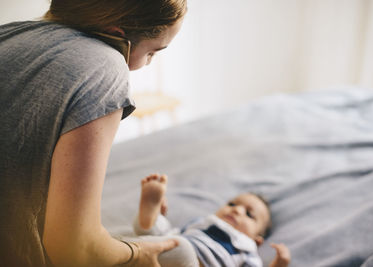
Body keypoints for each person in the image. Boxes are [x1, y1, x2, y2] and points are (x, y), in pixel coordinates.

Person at [0, 0, 186, 266]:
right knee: (180, 254)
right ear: (118, 33)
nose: (146, 64)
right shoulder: (105, 66)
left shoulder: (12, 33)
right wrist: (137, 253)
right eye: (152, 53)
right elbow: (75, 248)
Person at [130, 174, 291, 267]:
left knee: (181, 248)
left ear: (257, 241)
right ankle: (149, 217)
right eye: (232, 204)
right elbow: (175, 235)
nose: (236, 210)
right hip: (167, 249)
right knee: (160, 234)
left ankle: (120, 251)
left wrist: (278, 264)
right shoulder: (202, 222)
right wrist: (161, 218)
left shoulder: (247, 250)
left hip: (192, 261)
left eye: (249, 214)